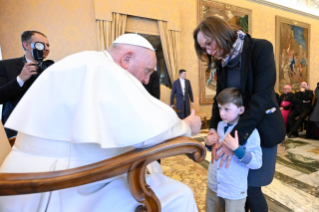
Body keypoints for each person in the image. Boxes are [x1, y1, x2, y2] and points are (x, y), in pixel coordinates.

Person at [0, 34, 201, 212]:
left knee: (152, 171)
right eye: (147, 71)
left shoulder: (84, 61)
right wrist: (187, 125)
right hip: (57, 186)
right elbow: (152, 133)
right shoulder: (105, 69)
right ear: (127, 58)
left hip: (33, 177)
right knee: (179, 195)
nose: (147, 80)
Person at [193, 16, 285, 212]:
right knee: (233, 191)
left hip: (260, 131)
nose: (208, 51)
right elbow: (220, 98)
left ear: (221, 32)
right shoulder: (223, 61)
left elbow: (260, 98)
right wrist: (213, 131)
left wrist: (234, 139)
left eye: (209, 43)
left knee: (252, 190)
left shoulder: (261, 49)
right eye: (204, 48)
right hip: (233, 135)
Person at [205, 87, 262, 212]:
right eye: (220, 108)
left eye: (227, 109)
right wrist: (208, 143)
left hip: (233, 189)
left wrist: (237, 149)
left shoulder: (251, 133)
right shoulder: (220, 126)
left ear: (241, 110)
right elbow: (214, 150)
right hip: (214, 184)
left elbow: (257, 162)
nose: (222, 113)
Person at [0, 30, 50, 138]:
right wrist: (20, 79)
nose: (46, 48)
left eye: (48, 45)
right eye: (41, 44)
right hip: (17, 129)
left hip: (46, 127)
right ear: (26, 45)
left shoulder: (50, 68)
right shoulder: (5, 66)